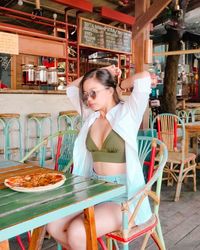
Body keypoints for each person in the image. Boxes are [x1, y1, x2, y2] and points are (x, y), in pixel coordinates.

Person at [47, 65, 153, 250]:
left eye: (93, 93)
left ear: (110, 90)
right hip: (93, 189)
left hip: (123, 195)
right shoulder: (90, 116)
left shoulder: (128, 112)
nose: (88, 99)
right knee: (53, 225)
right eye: (86, 94)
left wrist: (119, 83)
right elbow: (71, 88)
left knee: (77, 231)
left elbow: (144, 77)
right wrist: (100, 70)